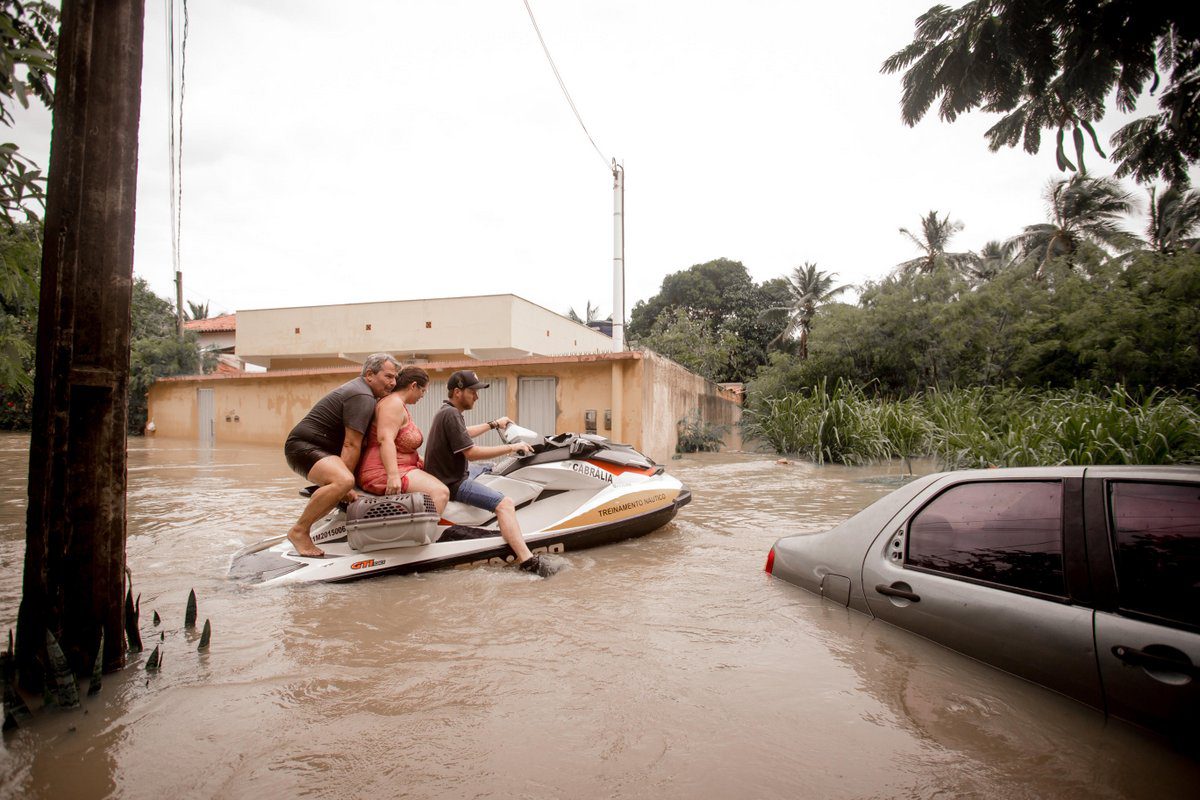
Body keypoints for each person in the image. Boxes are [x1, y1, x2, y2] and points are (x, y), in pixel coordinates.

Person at [424, 369, 549, 575]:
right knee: (505, 504)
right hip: (453, 482)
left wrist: (493, 424)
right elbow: (471, 453)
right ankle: (527, 560)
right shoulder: (451, 414)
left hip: (453, 473)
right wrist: (511, 448)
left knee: (490, 469)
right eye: (473, 391)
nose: (477, 396)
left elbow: (464, 433)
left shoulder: (447, 411)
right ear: (457, 392)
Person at [283, 353, 399, 556]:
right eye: (388, 376)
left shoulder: (365, 393)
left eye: (395, 378)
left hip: (320, 450)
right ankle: (299, 530)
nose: (393, 382)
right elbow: (351, 444)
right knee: (343, 481)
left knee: (345, 483)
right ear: (370, 374)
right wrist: (348, 485)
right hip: (304, 447)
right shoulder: (362, 396)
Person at [356, 366, 450, 513]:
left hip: (402, 467)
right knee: (441, 493)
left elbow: (401, 446)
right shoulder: (392, 404)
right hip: (383, 470)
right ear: (413, 386)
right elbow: (385, 439)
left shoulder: (398, 405)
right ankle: (425, 536)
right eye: (423, 390)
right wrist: (393, 477)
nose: (423, 396)